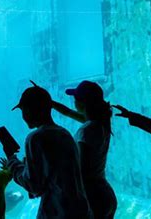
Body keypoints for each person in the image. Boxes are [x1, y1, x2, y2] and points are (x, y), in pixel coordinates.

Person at [6, 84, 91, 219]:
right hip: (81, 211)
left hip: (58, 211)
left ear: (28, 111)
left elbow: (34, 185)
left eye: (23, 110)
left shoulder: (35, 138)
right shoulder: (65, 134)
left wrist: (13, 164)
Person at [51, 80, 117, 218]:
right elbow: (68, 112)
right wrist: (50, 102)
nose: (73, 102)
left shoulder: (87, 130)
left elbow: (81, 170)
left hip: (91, 197)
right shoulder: (101, 123)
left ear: (82, 103)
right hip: (105, 193)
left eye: (75, 98)